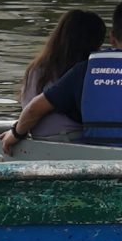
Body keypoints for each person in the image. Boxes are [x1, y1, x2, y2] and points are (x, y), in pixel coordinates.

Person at [0, 0, 122, 159]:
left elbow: (35, 107)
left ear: (112, 38)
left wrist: (14, 134)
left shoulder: (84, 70)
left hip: (98, 169)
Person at [19, 8, 107, 141]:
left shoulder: (36, 69)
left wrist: (16, 132)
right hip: (75, 140)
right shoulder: (86, 73)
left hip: (40, 140)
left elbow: (28, 110)